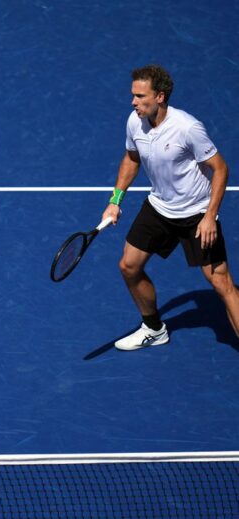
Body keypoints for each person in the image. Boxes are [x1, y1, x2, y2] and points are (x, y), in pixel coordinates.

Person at [102, 64, 239, 351]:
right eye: (133, 95)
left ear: (160, 97)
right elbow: (131, 158)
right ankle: (154, 329)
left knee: (220, 282)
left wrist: (210, 217)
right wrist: (115, 201)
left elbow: (221, 169)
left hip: (196, 214)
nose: (133, 102)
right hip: (159, 208)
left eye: (140, 96)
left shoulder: (187, 127)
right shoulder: (134, 121)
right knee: (129, 266)